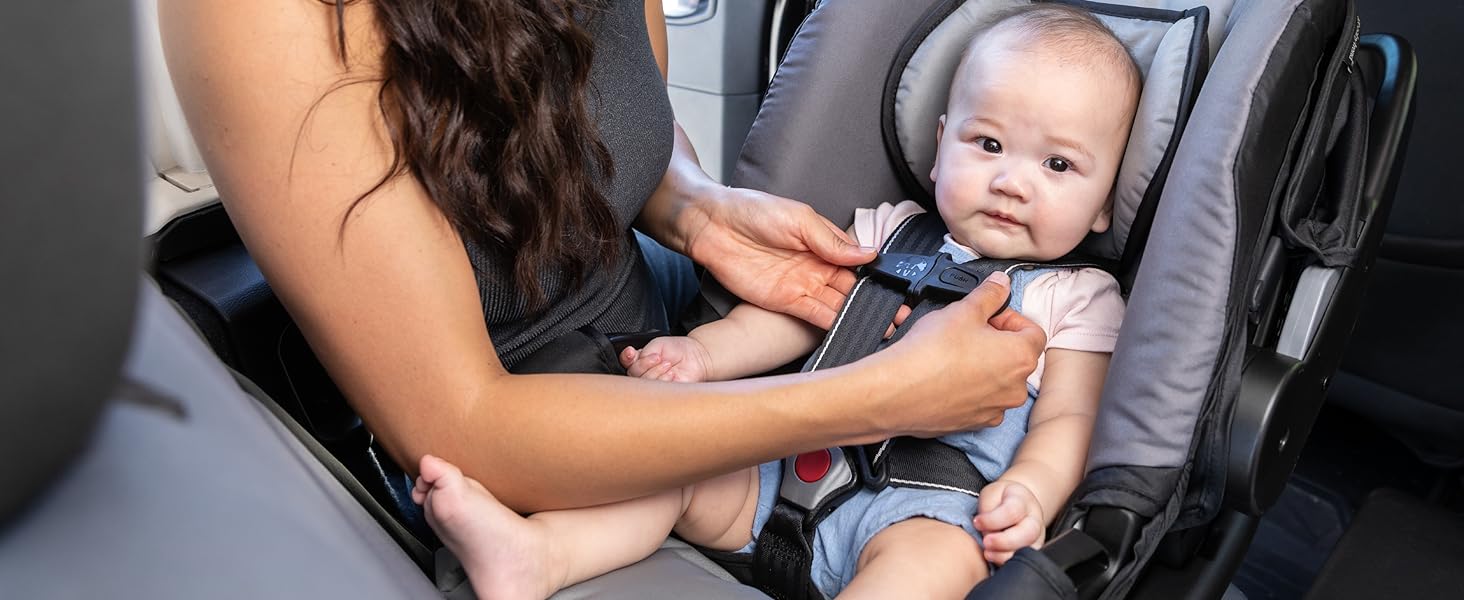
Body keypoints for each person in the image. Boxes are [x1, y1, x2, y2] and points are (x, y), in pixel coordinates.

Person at [159, 0, 1046, 585]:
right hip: (524, 447)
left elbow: (616, 127)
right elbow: (461, 419)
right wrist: (871, 398)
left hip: (658, 347)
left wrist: (697, 208)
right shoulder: (261, 16)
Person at [410, 5, 1140, 599]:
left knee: (932, 569)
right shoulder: (891, 234)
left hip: (932, 507)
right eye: (988, 144)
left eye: (1058, 164)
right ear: (941, 144)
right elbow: (797, 311)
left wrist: (1030, 493)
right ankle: (539, 555)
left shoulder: (1077, 298)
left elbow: (1073, 418)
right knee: (668, 474)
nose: (1014, 181)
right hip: (781, 464)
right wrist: (704, 352)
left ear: (1105, 204)